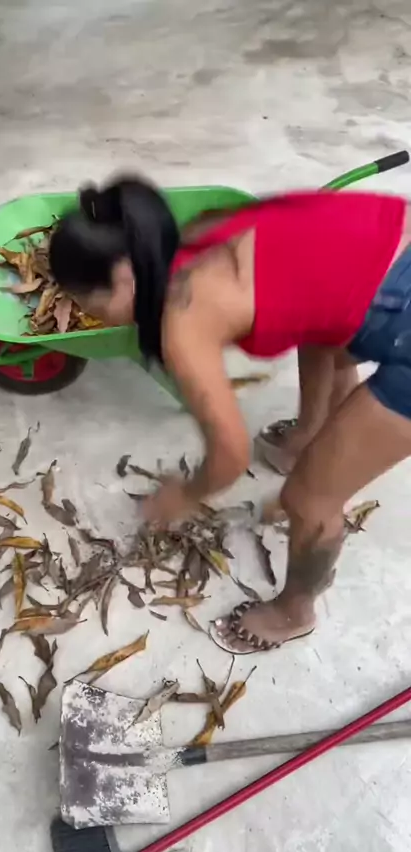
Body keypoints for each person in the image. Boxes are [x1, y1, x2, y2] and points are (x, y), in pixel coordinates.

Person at [49, 174, 411, 654]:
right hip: (397, 255)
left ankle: (294, 612)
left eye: (83, 300)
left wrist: (184, 494)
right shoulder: (205, 232)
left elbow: (230, 456)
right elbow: (324, 320)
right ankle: (308, 437)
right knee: (320, 321)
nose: (86, 312)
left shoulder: (184, 317)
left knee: (308, 500)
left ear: (121, 279)